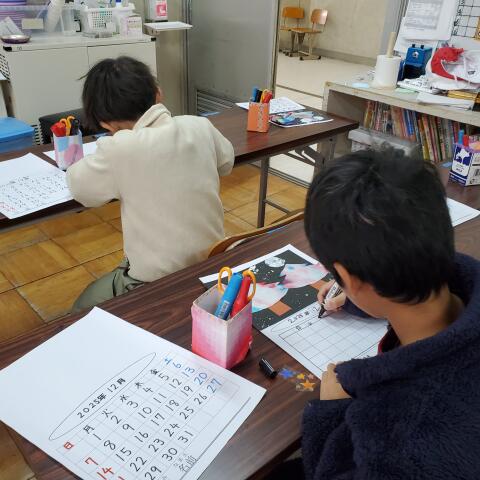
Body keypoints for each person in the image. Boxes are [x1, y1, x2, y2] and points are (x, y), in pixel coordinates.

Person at [287, 148, 479, 479]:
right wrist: (359, 295)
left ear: (347, 278)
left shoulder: (401, 438)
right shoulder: (455, 282)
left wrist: (331, 411)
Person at [67, 56, 234, 312]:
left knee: (82, 305)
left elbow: (80, 189)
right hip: (213, 263)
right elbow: (226, 163)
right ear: (158, 94)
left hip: (154, 281)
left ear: (104, 122)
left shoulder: (118, 148)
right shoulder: (199, 125)